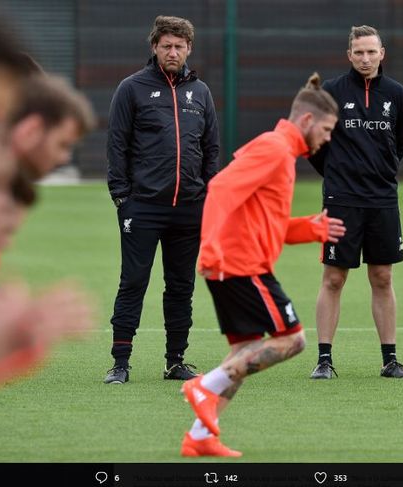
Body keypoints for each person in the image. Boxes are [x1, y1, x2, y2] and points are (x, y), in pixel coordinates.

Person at [179, 73, 345, 457]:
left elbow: (265, 222)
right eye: (326, 129)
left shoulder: (282, 154)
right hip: (240, 264)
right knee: (293, 339)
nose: (328, 138)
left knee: (247, 350)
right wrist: (211, 248)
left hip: (238, 261)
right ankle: (204, 386)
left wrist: (308, 228)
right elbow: (219, 189)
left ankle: (200, 437)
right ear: (306, 121)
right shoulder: (274, 149)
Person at [105, 15, 219, 384]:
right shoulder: (132, 88)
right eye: (167, 45)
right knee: (134, 281)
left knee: (181, 285)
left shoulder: (200, 93)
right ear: (154, 47)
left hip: (189, 208)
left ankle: (175, 361)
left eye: (180, 46)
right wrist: (122, 196)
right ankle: (120, 363)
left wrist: (208, 194)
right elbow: (117, 144)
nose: (173, 52)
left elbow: (211, 148)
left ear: (189, 49)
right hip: (143, 206)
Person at [308, 25, 403, 380]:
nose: (365, 58)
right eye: (359, 52)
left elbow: (400, 142)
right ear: (349, 55)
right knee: (334, 278)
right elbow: (313, 145)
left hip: (382, 199)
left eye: (372, 52)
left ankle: (390, 359)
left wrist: (380, 172)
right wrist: (338, 174)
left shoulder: (397, 94)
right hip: (342, 200)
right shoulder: (331, 92)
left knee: (382, 276)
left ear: (382, 53)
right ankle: (324, 360)